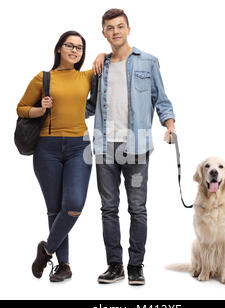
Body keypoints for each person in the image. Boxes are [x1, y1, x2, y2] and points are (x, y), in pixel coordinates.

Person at [86, 9, 176, 286]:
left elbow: (161, 99)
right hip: (104, 150)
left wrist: (169, 126)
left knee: (137, 208)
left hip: (136, 149)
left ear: (128, 29)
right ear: (104, 33)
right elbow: (89, 105)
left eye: (120, 26)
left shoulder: (148, 62)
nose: (116, 32)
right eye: (110, 28)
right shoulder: (99, 68)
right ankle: (115, 265)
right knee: (108, 208)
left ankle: (136, 265)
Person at [17, 31, 101, 282]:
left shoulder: (86, 76)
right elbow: (21, 108)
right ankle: (63, 265)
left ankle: (46, 250)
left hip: (80, 147)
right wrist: (40, 108)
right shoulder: (43, 78)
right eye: (70, 46)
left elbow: (106, 63)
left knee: (74, 205)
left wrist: (100, 54)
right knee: (55, 208)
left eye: (80, 47)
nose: (75, 50)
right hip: (47, 148)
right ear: (59, 49)